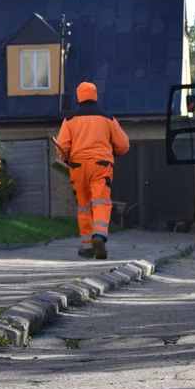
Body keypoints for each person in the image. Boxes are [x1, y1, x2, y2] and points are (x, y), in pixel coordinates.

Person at [56, 82, 130, 259]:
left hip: (77, 167)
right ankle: (99, 235)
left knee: (84, 206)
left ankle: (87, 246)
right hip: (100, 165)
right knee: (101, 201)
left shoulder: (70, 120)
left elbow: (62, 148)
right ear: (95, 95)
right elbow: (123, 145)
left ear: (79, 97)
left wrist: (66, 160)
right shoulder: (107, 118)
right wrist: (114, 152)